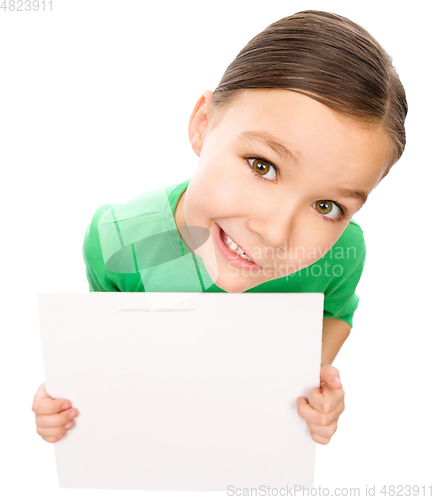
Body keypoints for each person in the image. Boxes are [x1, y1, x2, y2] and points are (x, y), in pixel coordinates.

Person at [32, 10, 407, 447]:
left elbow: (336, 313)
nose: (273, 232)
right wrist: (69, 405)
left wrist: (303, 389)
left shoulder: (341, 253)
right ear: (202, 125)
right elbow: (112, 349)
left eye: (327, 206)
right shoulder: (118, 240)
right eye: (262, 166)